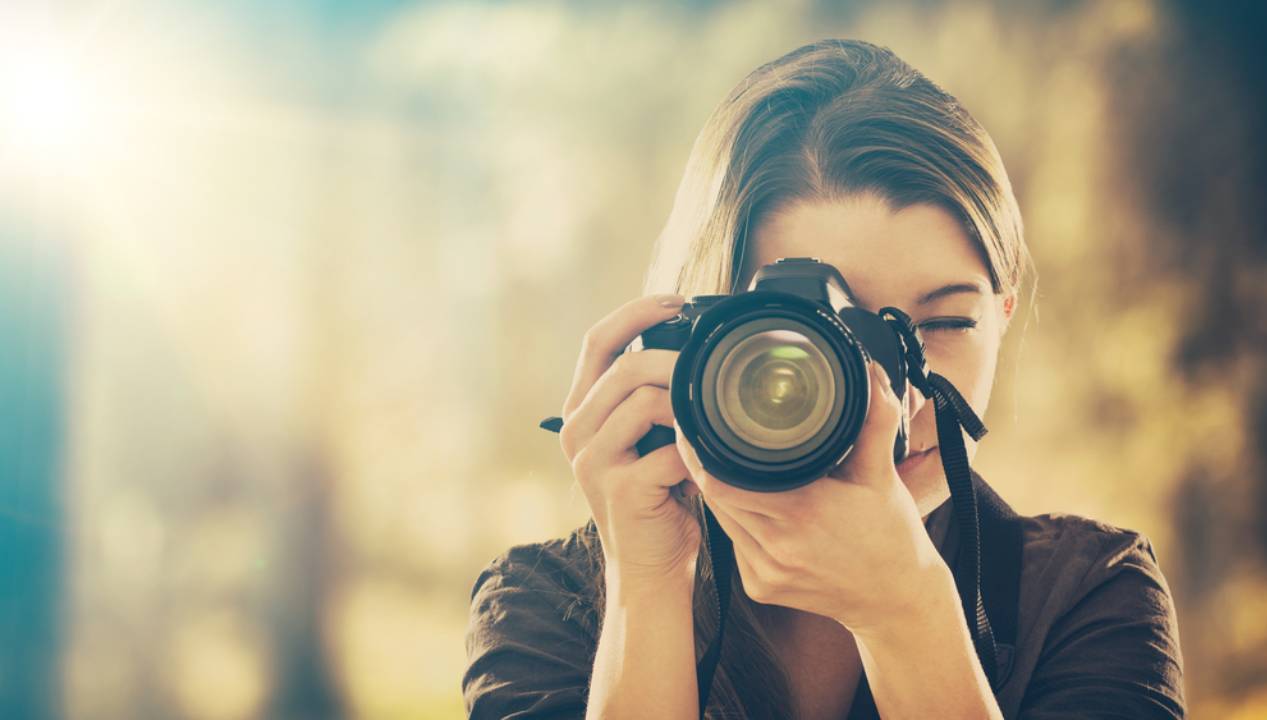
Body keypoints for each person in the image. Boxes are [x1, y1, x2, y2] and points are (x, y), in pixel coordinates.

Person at [462, 38, 1185, 719]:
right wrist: (646, 586)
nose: (889, 401)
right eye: (823, 337)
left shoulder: (1087, 593)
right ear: (699, 339)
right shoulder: (546, 604)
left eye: (941, 327)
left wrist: (908, 611)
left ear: (1000, 316)